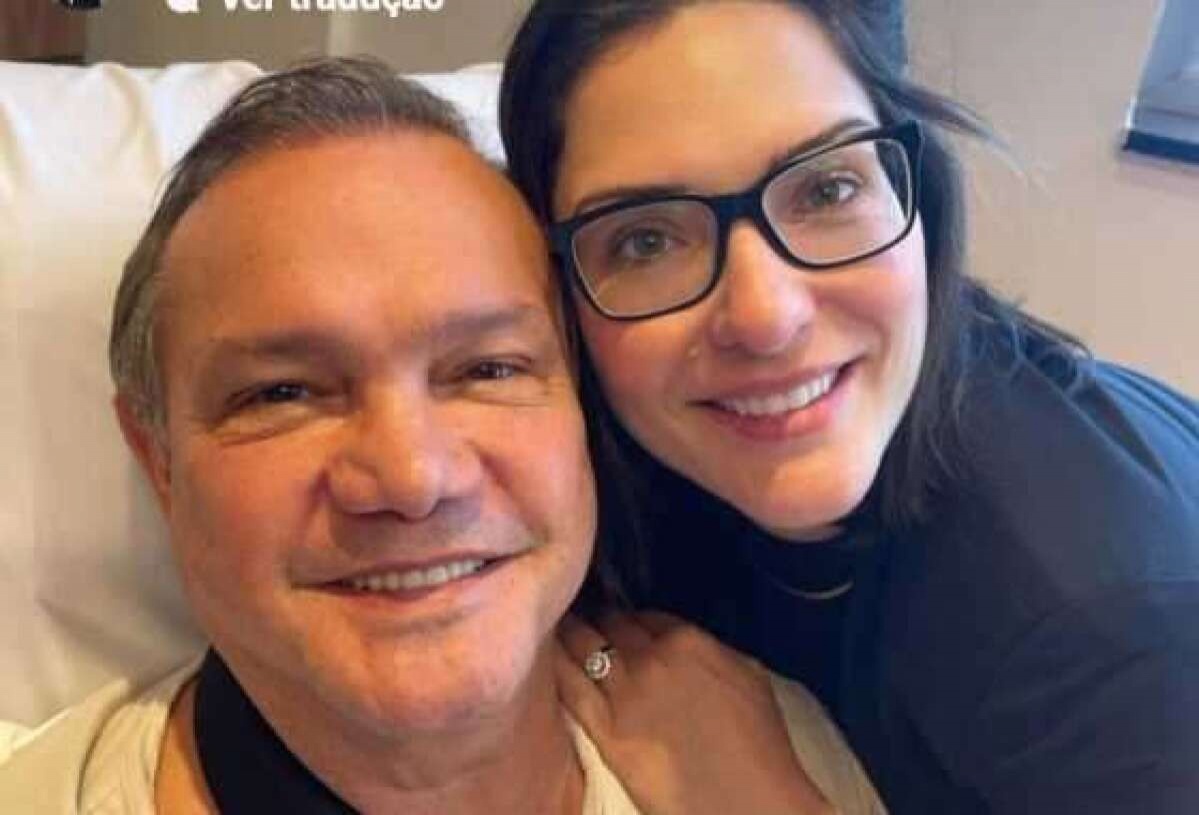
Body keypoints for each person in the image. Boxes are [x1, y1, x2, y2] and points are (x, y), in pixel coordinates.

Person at [0, 58, 886, 813]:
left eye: (488, 369)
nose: (412, 477)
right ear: (158, 459)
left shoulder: (787, 759)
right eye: (282, 392)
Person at [500, 1, 1199, 813]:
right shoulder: (606, 450)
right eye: (646, 240)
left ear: (914, 195)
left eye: (827, 188)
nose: (765, 317)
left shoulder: (1096, 631)